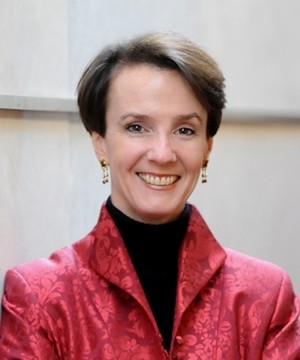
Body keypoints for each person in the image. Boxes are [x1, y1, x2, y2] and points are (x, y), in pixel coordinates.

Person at [0, 32, 299, 359]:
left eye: (184, 130)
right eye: (136, 127)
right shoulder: (38, 298)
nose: (162, 153)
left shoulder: (266, 296)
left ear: (207, 147)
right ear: (100, 141)